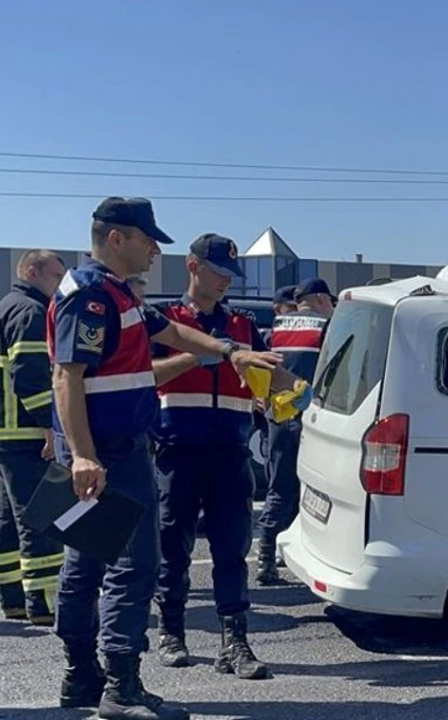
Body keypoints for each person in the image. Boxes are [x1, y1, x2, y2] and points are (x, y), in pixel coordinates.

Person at [51, 197, 280, 719]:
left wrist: (231, 352)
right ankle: (120, 687)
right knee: (134, 567)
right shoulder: (91, 295)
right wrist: (84, 455)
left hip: (115, 449)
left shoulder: (116, 296)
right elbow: (68, 376)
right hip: (108, 453)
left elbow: (173, 334)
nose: (156, 249)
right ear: (116, 239)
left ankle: (82, 678)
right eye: (147, 239)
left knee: (87, 566)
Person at [148, 234, 270, 680]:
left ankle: (234, 641)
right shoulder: (166, 320)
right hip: (178, 450)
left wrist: (277, 393)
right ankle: (172, 630)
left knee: (232, 549)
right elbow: (145, 374)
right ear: (193, 267)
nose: (226, 283)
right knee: (172, 547)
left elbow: (261, 379)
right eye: (219, 273)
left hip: (230, 452)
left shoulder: (241, 324)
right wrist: (195, 356)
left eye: (230, 276)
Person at [0, 250, 66, 626]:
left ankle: (13, 598)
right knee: (39, 517)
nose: (60, 284)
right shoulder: (31, 312)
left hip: (7, 431)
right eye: (55, 276)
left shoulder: (8, 305)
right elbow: (30, 376)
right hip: (26, 432)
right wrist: (49, 426)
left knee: (8, 520)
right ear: (31, 271)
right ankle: (43, 601)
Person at [254, 277, 333, 585]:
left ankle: (268, 554)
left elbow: (259, 366)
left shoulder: (277, 326)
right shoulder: (325, 328)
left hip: (277, 416)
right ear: (322, 300)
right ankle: (278, 556)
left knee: (279, 485)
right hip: (310, 419)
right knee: (311, 491)